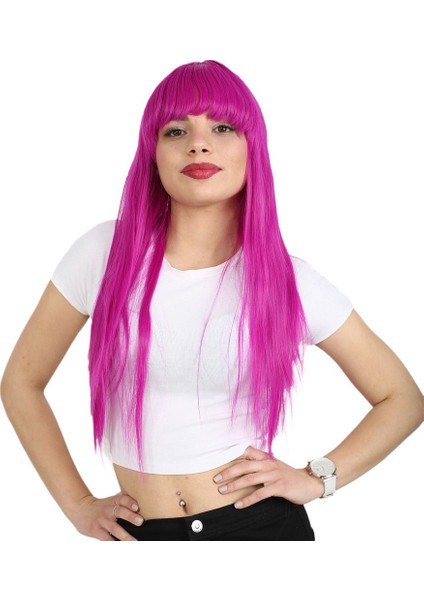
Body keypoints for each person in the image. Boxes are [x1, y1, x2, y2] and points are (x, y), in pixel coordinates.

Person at [1, 60, 422, 542]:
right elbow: (21, 382)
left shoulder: (287, 281)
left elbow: (402, 399)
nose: (198, 144)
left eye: (222, 127)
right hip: (139, 537)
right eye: (176, 130)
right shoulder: (104, 254)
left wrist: (316, 478)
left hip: (260, 530)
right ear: (153, 154)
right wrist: (76, 505)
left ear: (251, 148)